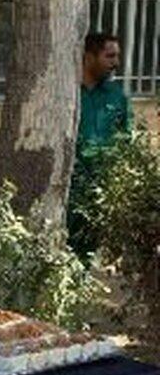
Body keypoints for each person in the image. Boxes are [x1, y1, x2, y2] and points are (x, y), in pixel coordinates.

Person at [67, 31, 133, 254]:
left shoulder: (117, 96)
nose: (116, 63)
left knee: (90, 251)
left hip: (102, 189)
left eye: (117, 56)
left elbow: (126, 139)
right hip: (70, 187)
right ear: (89, 57)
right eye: (110, 56)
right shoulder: (68, 93)